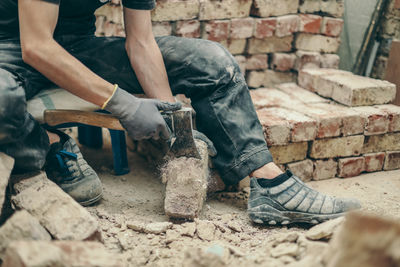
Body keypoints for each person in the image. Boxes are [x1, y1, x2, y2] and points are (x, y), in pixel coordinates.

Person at [0, 0, 360, 224]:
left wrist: (175, 120)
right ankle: (48, 145)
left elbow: (140, 41)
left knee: (211, 61)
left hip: (78, 46)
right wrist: (124, 104)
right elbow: (37, 46)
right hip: (10, 49)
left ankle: (269, 184)